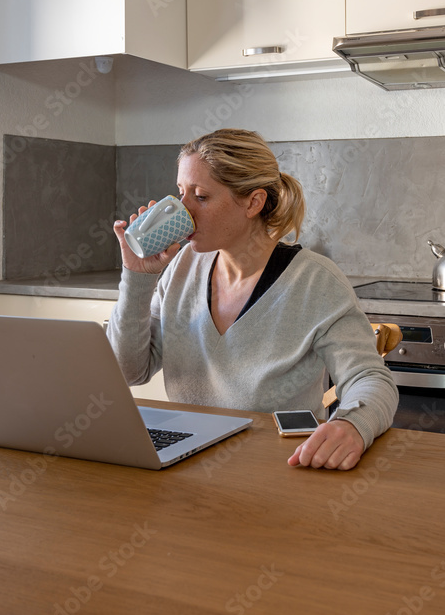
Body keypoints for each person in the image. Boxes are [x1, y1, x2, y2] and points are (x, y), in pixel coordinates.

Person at [106, 128, 398, 471]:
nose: (182, 211)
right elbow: (128, 371)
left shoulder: (315, 281)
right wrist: (138, 277)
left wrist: (351, 425)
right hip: (188, 462)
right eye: (180, 193)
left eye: (200, 197)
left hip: (276, 467)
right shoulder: (180, 268)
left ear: (253, 202)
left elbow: (371, 379)